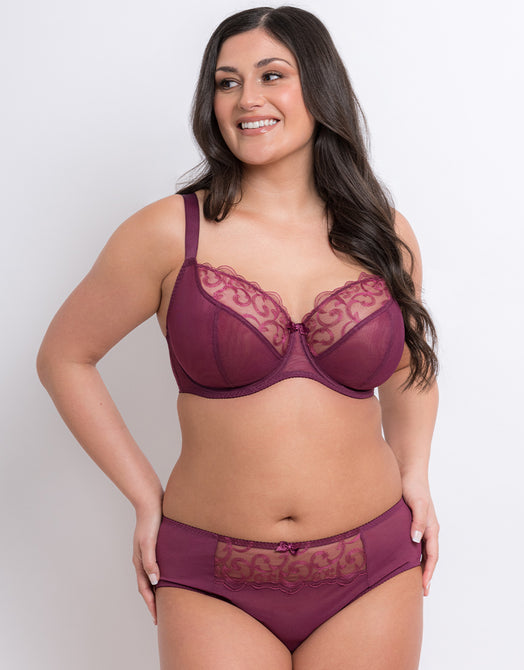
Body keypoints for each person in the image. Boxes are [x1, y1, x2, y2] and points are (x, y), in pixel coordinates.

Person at [37, 5, 439, 669]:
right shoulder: (168, 232)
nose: (247, 98)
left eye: (271, 75)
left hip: (373, 568)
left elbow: (407, 370)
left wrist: (416, 472)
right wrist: (144, 496)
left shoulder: (383, 232)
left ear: (319, 88)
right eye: (227, 83)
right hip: (211, 578)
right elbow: (64, 357)